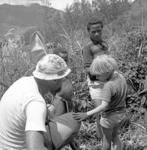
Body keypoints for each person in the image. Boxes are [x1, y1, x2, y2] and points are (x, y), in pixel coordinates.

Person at [0, 54, 80, 150]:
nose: (63, 81)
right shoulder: (36, 103)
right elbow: (34, 148)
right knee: (75, 120)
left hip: (6, 143)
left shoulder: (24, 82)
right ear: (55, 80)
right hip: (21, 146)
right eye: (62, 78)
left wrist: (70, 139)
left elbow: (44, 114)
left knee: (73, 119)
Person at [73, 55, 128, 150]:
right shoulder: (121, 77)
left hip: (109, 117)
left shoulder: (108, 86)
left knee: (106, 139)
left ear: (106, 72)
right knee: (115, 137)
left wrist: (86, 114)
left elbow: (103, 105)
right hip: (121, 113)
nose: (96, 78)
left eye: (98, 75)